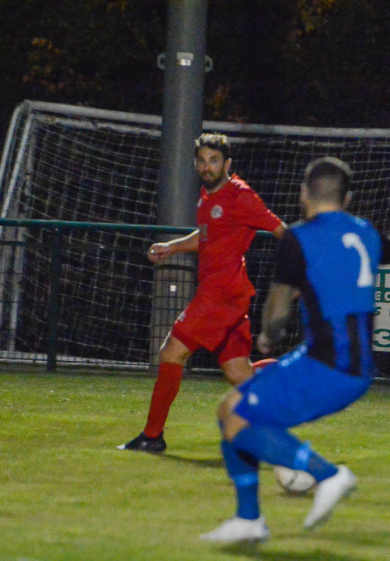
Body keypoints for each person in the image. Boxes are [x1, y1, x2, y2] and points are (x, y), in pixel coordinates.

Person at [200, 157, 389, 543]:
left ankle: (326, 475)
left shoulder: (298, 238)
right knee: (231, 409)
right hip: (356, 368)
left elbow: (278, 305)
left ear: (303, 194)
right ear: (348, 197)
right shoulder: (368, 233)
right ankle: (248, 521)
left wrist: (268, 337)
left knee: (237, 418)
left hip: (327, 364)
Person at [120, 133, 287, 453]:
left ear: (227, 164)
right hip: (227, 293)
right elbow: (208, 236)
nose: (207, 167)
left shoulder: (241, 195)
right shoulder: (207, 197)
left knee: (171, 352)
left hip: (221, 295)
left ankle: (152, 436)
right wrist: (172, 247)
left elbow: (280, 229)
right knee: (241, 373)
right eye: (202, 160)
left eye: (214, 161)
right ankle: (297, 372)